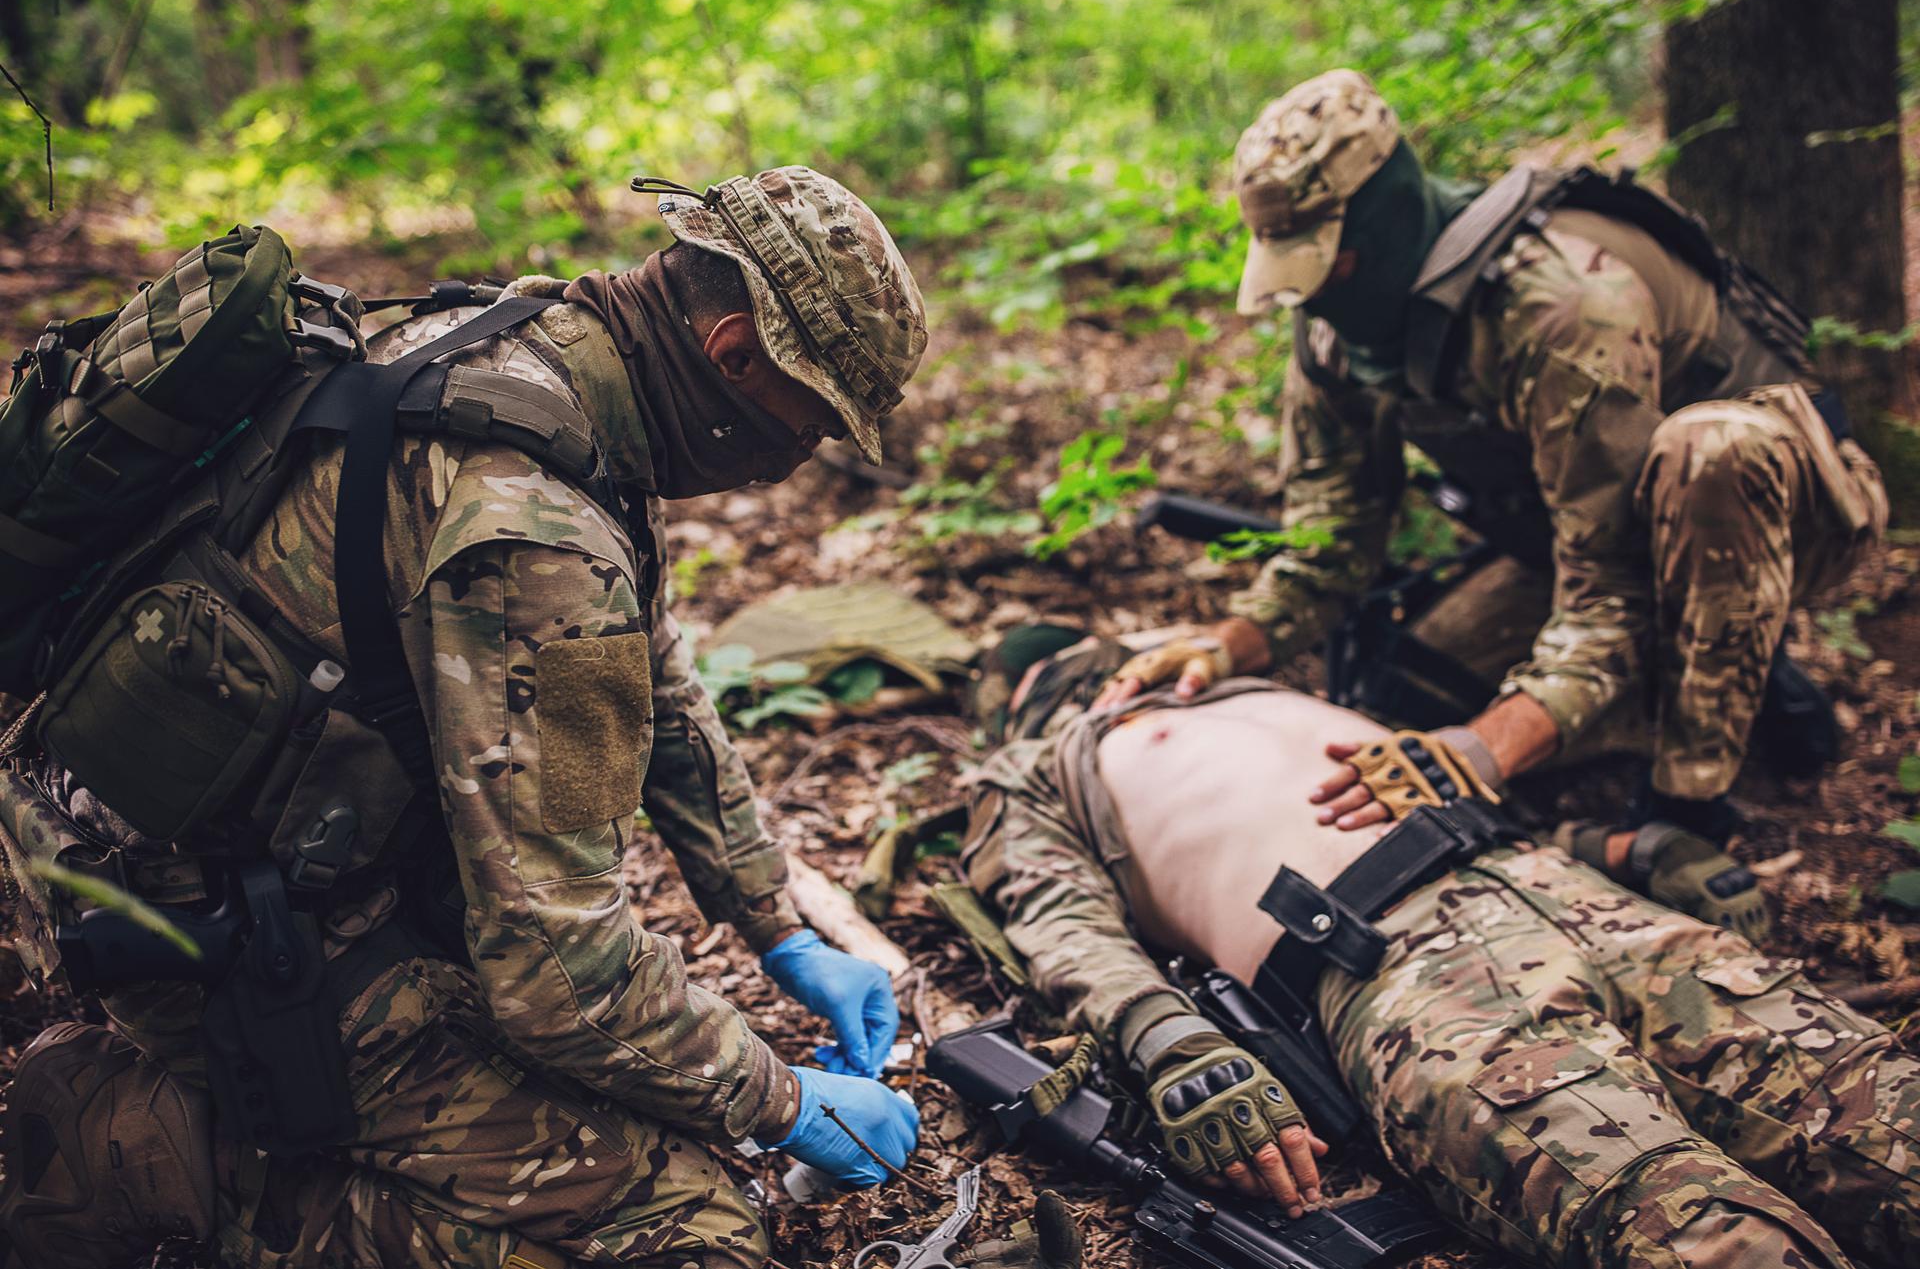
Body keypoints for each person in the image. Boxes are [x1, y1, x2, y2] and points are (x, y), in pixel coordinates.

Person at [0, 167, 927, 1269]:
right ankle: (141, 1149)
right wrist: (778, 1099)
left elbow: (651, 682)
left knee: (654, 1102)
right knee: (691, 1232)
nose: (799, 457)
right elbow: (560, 974)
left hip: (175, 832)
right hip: (181, 927)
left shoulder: (512, 351)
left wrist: (775, 922)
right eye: (812, 425)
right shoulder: (534, 535)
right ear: (733, 355)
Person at [1100, 70, 1889, 921]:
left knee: (1709, 456)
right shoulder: (1333, 328)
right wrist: (1227, 643)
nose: (1314, 290)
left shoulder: (1562, 306)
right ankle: (1687, 675)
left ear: (1386, 216)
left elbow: (1613, 588)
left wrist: (1487, 748)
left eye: (1331, 259)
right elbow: (1332, 540)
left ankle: (1689, 802)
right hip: (1578, 533)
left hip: (1773, 511)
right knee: (1409, 694)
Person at [963, 630, 1920, 1269]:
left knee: (1886, 1116)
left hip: (1558, 886)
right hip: (1395, 965)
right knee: (1686, 1223)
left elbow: (1411, 796)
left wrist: (1622, 850)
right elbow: (1062, 921)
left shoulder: (1237, 678)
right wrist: (1171, 1042)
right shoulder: (1037, 767)